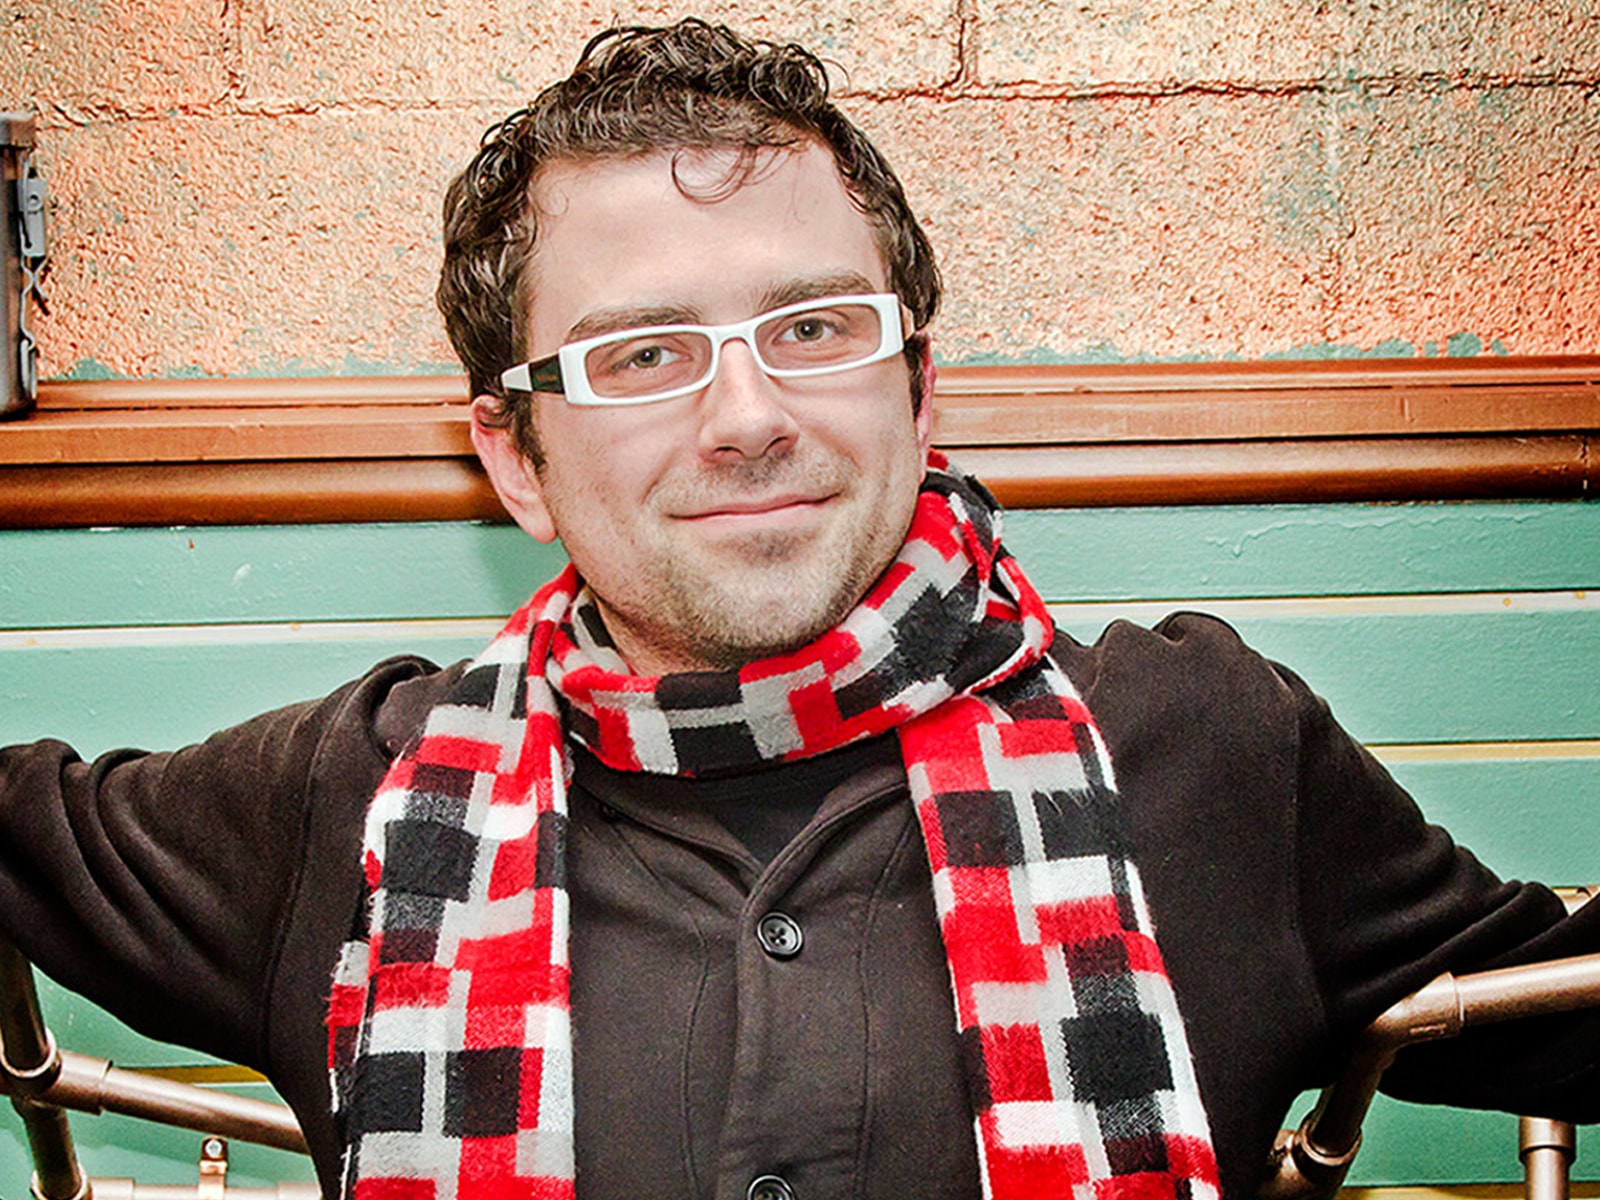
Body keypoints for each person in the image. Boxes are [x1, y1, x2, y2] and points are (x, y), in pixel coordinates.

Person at [2, 19, 1597, 1200]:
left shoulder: (1209, 744)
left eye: (816, 327)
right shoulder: (336, 804)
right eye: (640, 356)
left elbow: (1560, 1007)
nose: (750, 416)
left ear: (916, 382)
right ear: (518, 457)